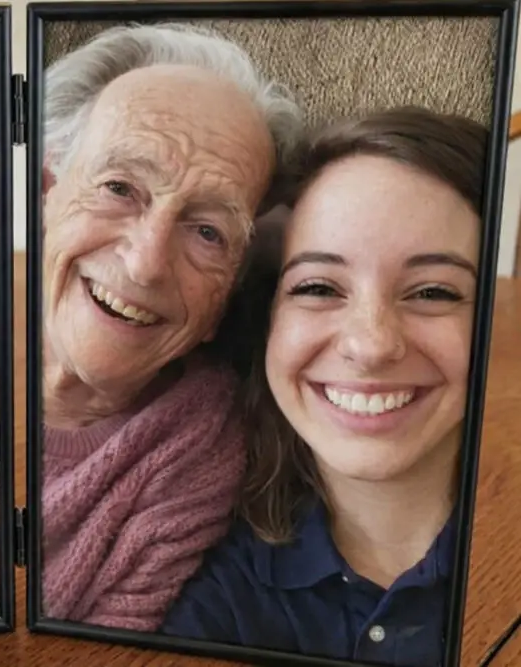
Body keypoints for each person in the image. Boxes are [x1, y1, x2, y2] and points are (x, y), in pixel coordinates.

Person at [162, 107, 485, 667]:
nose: (372, 343)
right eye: (317, 287)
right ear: (267, 322)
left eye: (433, 292)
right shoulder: (215, 595)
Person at [38, 22, 304, 631]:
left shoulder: (193, 455)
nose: (146, 262)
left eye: (208, 232)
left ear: (227, 297)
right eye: (119, 187)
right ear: (47, 191)